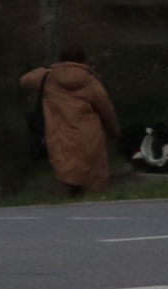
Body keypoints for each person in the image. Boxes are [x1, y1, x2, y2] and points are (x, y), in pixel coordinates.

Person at [22, 46, 122, 197]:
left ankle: (66, 200)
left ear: (61, 60)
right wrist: (115, 132)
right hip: (88, 136)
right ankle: (84, 201)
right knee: (85, 174)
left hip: (58, 134)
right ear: (83, 61)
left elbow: (24, 81)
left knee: (65, 170)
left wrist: (46, 70)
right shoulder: (91, 82)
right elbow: (107, 110)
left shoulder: (49, 78)